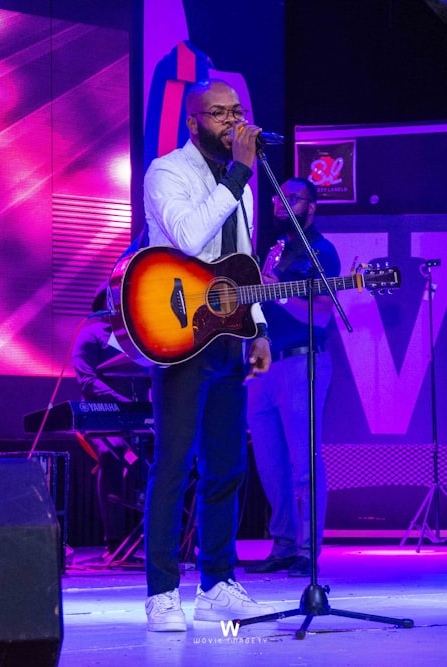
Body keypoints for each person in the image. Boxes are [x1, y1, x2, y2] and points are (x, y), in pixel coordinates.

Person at [140, 79, 275, 632]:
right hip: (176, 327)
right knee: (174, 463)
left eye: (236, 111)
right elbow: (191, 239)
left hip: (227, 331)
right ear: (192, 122)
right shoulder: (167, 171)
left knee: (227, 466)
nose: (230, 121)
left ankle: (217, 583)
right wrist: (238, 173)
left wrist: (259, 327)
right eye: (218, 113)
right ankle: (162, 593)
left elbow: (242, 258)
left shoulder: (243, 181)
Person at [244, 177, 340, 578]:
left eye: (291, 198)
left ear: (311, 206)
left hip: (304, 363)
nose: (281, 204)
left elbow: (323, 313)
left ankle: (306, 550)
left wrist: (277, 291)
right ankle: (283, 544)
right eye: (277, 198)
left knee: (304, 464)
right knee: (270, 464)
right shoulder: (276, 249)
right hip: (264, 365)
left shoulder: (321, 251)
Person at [71, 286, 150, 561]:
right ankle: (114, 542)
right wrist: (122, 402)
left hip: (139, 420)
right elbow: (87, 380)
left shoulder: (134, 335)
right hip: (102, 419)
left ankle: (162, 539)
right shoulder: (89, 334)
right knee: (114, 456)